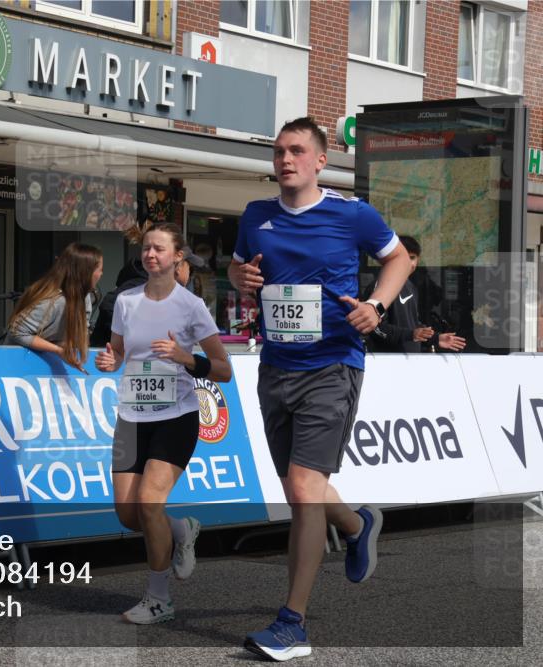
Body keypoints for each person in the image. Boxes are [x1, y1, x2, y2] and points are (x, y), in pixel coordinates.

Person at [228, 117, 412, 661]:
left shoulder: (352, 214)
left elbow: (398, 258)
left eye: (296, 151)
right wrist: (242, 281)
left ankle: (292, 624)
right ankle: (358, 524)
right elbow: (239, 271)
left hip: (333, 364)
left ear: (319, 160)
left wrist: (376, 307)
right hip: (276, 366)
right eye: (279, 151)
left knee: (305, 489)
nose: (285, 160)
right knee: (296, 485)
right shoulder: (256, 217)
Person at [95, 222, 232, 625]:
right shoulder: (125, 301)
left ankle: (158, 598)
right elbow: (119, 351)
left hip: (176, 417)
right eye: (146, 249)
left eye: (159, 249)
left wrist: (186, 358)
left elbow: (223, 370)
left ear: (177, 257)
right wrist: (111, 361)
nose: (150, 255)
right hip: (132, 416)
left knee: (149, 503)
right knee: (127, 513)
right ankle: (182, 529)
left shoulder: (191, 306)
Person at [5, 242, 103, 371]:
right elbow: (17, 332)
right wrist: (58, 350)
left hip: (45, 363)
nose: (101, 274)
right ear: (86, 272)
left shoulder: (84, 297)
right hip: (20, 363)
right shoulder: (55, 300)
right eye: (100, 269)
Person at [365, 236, 466, 353]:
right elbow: (376, 328)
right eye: (403, 258)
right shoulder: (380, 286)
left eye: (412, 258)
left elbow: (413, 324)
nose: (408, 263)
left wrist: (435, 338)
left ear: (418, 259)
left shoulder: (411, 287)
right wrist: (410, 334)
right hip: (389, 362)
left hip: (413, 361)